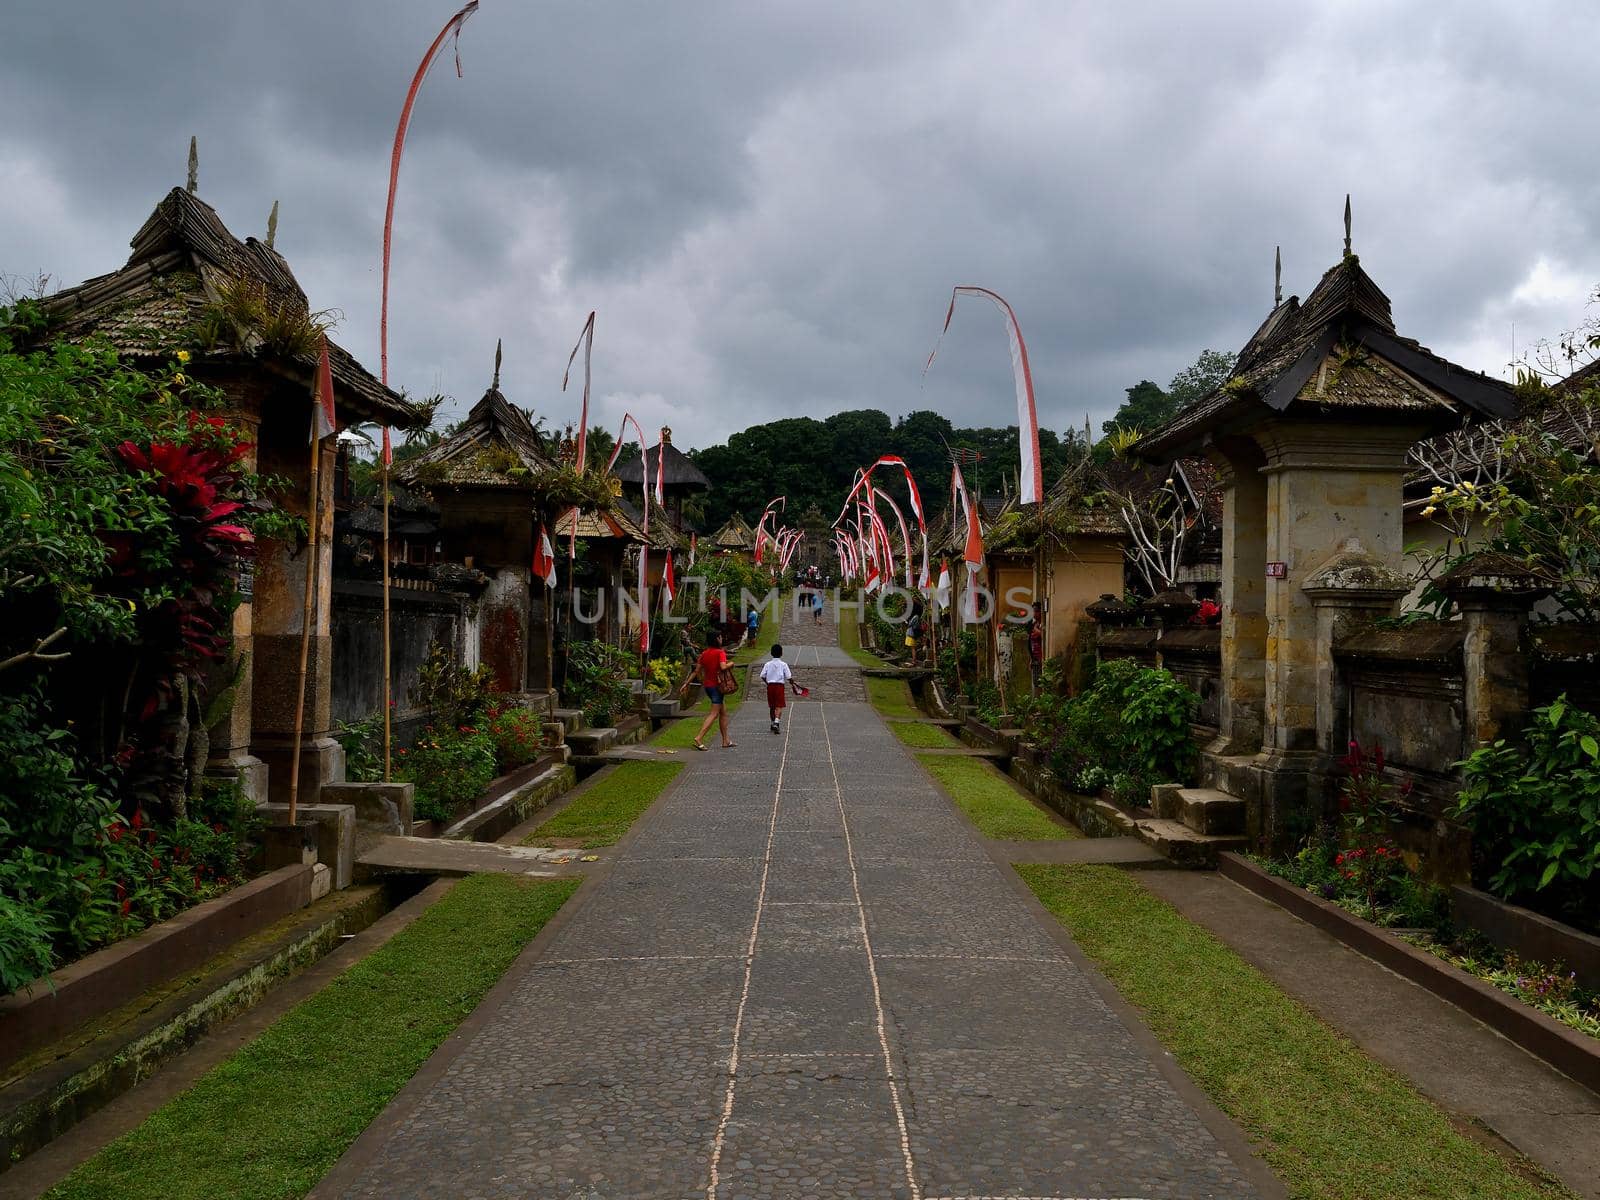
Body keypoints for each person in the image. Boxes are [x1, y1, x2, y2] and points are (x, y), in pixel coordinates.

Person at [692, 632, 735, 751]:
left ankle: (725, 740)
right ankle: (699, 737)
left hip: (708, 686)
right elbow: (723, 667)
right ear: (717, 639)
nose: (722, 639)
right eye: (720, 637)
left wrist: (686, 684)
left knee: (723, 713)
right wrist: (731, 663)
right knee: (714, 713)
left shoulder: (704, 653)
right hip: (717, 686)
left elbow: (696, 671)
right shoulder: (720, 652)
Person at [760, 643, 798, 734]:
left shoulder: (768, 664)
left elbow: (762, 675)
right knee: (779, 705)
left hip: (770, 686)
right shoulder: (783, 664)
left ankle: (773, 723)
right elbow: (789, 677)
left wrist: (767, 682)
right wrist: (793, 683)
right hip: (779, 686)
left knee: (772, 706)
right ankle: (777, 722)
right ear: (781, 653)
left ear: (771, 653)